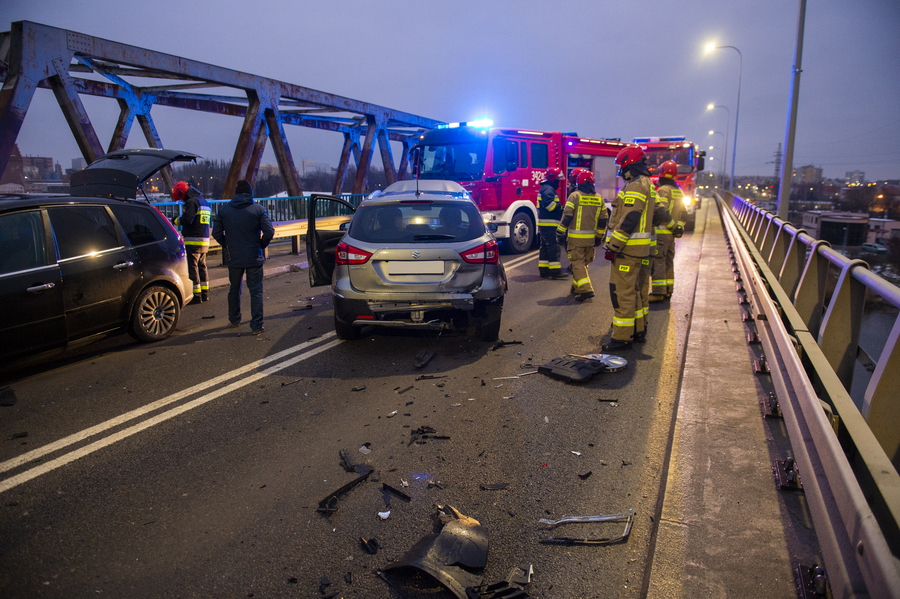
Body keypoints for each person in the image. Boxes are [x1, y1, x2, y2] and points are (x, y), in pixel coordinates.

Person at [602, 146, 658, 350]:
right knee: (638, 291)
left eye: (622, 167)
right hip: (641, 251)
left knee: (622, 293)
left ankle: (622, 337)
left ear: (629, 166)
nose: (620, 171)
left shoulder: (635, 186)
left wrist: (614, 245)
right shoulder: (648, 184)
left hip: (627, 251)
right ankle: (638, 329)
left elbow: (629, 218)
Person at [212, 180, 275, 335]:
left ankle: (234, 319)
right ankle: (256, 326)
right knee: (256, 291)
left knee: (234, 289)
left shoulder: (224, 210)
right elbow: (269, 231)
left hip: (234, 256)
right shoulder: (258, 210)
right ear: (250, 193)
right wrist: (261, 244)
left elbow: (216, 233)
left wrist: (227, 244)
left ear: (236, 193)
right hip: (253, 255)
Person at [556, 170, 608, 301]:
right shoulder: (599, 198)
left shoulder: (575, 196)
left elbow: (567, 216)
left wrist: (560, 232)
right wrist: (599, 237)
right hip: (591, 240)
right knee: (583, 264)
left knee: (577, 263)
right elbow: (603, 220)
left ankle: (586, 290)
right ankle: (576, 287)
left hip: (575, 239)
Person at [650, 160, 685, 302]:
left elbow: (661, 212)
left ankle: (658, 292)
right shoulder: (678, 191)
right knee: (668, 263)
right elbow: (684, 214)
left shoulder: (664, 190)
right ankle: (668, 290)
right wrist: (679, 227)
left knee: (658, 262)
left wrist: (671, 225)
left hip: (662, 233)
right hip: (671, 236)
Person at [171, 180, 211, 304]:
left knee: (192, 268)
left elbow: (187, 220)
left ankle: (196, 295)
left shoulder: (191, 202)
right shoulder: (204, 201)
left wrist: (175, 220)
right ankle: (205, 294)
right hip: (205, 239)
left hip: (193, 240)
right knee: (202, 266)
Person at [537, 167, 567, 279]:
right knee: (554, 247)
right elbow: (550, 206)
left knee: (545, 247)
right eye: (558, 179)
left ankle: (544, 270)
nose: (559, 182)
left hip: (545, 224)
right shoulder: (549, 189)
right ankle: (555, 271)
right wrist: (561, 208)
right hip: (550, 224)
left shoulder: (545, 188)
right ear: (552, 178)